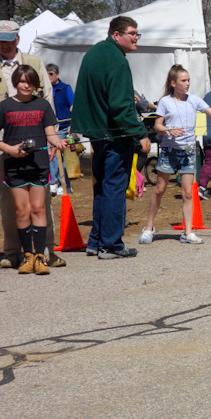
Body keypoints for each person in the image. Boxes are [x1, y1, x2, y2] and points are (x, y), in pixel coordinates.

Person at [70, 16, 151, 259]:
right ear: (116, 34)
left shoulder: (95, 53)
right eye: (132, 33)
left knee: (102, 188)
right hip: (116, 135)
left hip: (97, 135)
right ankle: (111, 245)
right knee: (115, 188)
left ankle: (96, 241)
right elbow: (120, 107)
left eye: (138, 33)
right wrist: (141, 133)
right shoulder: (117, 60)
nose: (136, 38)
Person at [138, 65, 211, 245]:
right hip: (169, 152)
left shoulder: (194, 100)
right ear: (173, 83)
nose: (187, 84)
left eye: (188, 80)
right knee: (159, 190)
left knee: (188, 193)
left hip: (188, 153)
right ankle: (149, 228)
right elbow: (158, 126)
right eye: (183, 81)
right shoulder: (165, 102)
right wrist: (169, 130)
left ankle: (187, 232)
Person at [0, 20, 65, 270]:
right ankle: (14, 252)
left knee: (41, 203)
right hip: (7, 147)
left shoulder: (34, 62)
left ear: (17, 38)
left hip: (37, 145)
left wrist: (52, 142)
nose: (4, 43)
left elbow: (47, 100)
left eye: (9, 38)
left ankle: (45, 251)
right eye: (0, 39)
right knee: (12, 204)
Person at [45, 64, 74, 195]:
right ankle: (66, 185)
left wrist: (72, 124)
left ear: (57, 75)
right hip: (49, 127)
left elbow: (73, 106)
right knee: (57, 156)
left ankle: (54, 184)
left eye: (51, 74)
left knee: (55, 153)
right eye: (47, 74)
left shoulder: (65, 88)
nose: (49, 76)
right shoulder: (45, 89)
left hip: (63, 127)